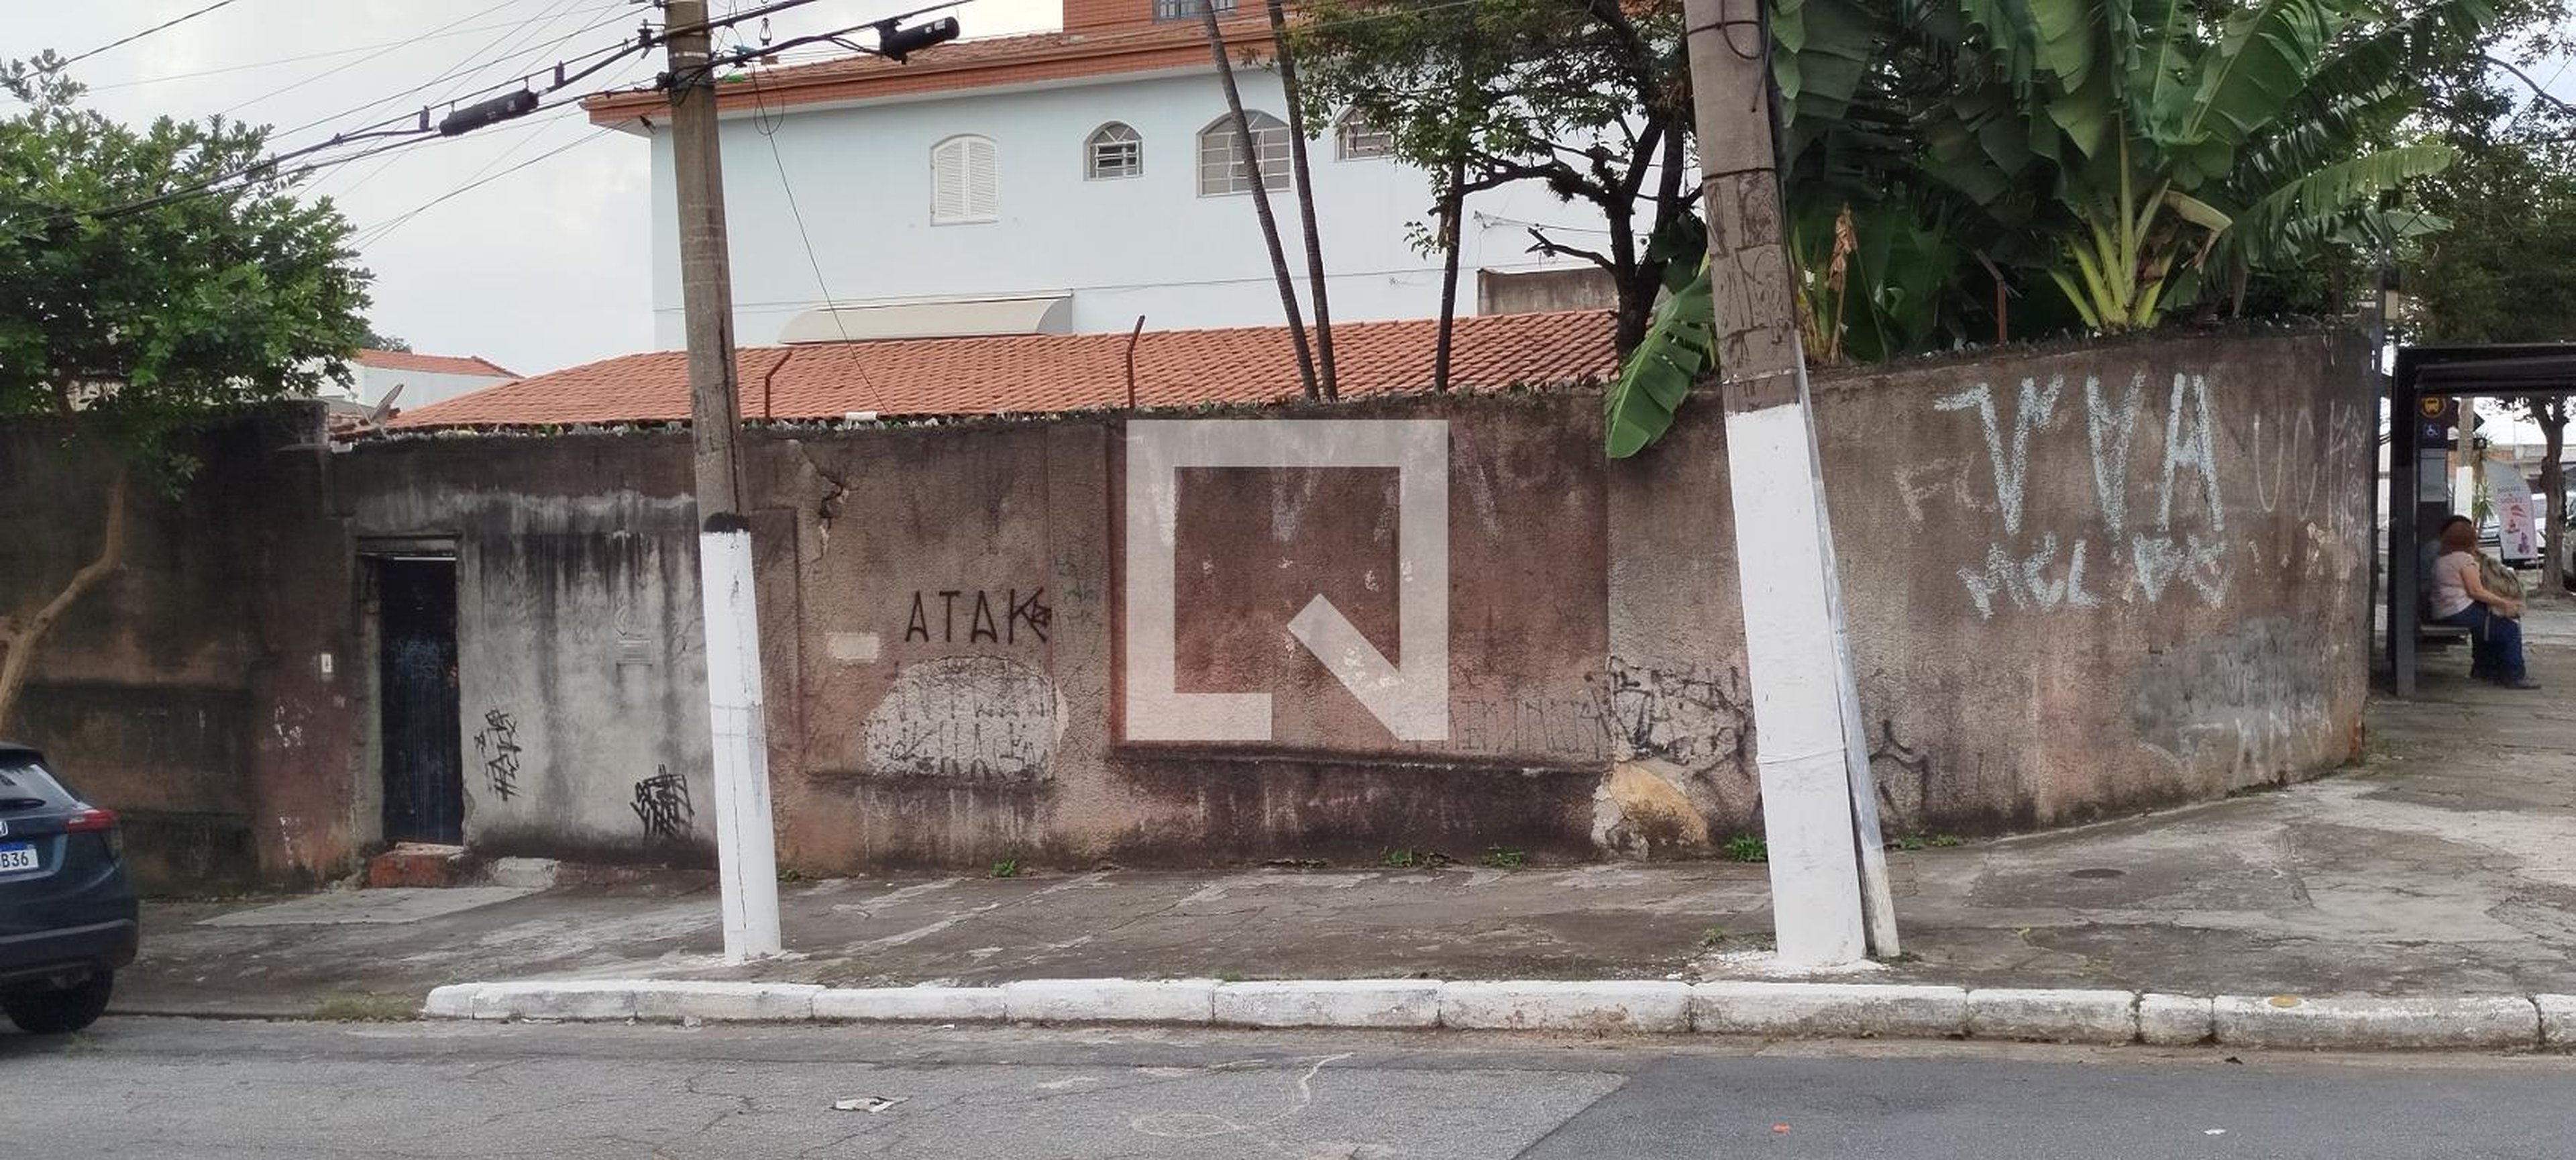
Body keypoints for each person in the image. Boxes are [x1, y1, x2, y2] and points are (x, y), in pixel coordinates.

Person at [2428, 514, 2538, 689]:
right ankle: (2513, 674)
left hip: (2443, 610)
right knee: (2508, 627)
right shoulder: (2464, 560)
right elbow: (2476, 591)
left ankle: (2483, 668)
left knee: (2486, 625)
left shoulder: (2441, 560)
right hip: (2459, 611)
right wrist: (2504, 603)